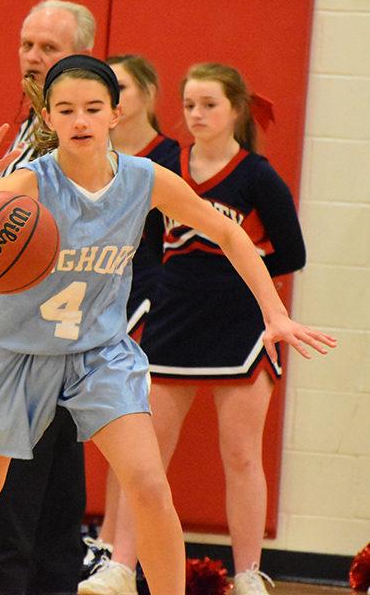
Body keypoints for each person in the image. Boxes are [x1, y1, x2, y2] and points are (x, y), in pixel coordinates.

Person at [0, 55, 335, 595]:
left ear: (116, 113)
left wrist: (274, 314)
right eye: (66, 110)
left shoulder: (144, 179)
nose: (81, 120)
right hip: (15, 353)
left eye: (93, 108)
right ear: (48, 117)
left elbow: (229, 235)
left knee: (148, 484)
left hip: (98, 355)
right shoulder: (29, 182)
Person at [85, 62, 315, 595]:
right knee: (142, 456)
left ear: (235, 109)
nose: (197, 115)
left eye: (209, 104)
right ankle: (120, 565)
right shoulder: (166, 162)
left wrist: (242, 261)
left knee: (240, 456)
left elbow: (293, 252)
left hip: (240, 325)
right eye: (189, 105)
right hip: (174, 318)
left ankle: (249, 573)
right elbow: (138, 233)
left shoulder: (256, 174)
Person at [0, 0, 95, 594]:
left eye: (48, 48)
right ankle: (47, 577)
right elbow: (24, 230)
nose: (32, 57)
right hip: (36, 317)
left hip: (57, 322)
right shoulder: (35, 128)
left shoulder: (79, 131)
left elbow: (79, 227)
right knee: (54, 466)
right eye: (26, 44)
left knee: (15, 457)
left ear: (81, 56)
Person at [80, 54, 182, 577]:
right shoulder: (90, 151)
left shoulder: (167, 158)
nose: (113, 96)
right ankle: (104, 545)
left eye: (120, 86)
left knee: (132, 439)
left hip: (146, 298)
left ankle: (123, 558)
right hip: (90, 300)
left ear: (146, 93)